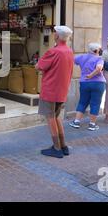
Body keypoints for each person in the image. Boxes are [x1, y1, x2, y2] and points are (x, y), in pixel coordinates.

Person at [36, 26, 74, 158]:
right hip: (62, 90)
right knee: (56, 117)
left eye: (54, 33)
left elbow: (39, 66)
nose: (53, 34)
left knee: (50, 117)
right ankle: (63, 146)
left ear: (57, 36)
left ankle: (57, 148)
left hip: (50, 90)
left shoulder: (53, 51)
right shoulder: (69, 51)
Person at [69, 43, 106, 131]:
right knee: (95, 103)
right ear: (96, 50)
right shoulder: (99, 59)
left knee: (82, 102)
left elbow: (71, 59)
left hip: (84, 83)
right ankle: (92, 124)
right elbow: (99, 68)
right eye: (99, 49)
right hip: (98, 83)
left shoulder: (81, 57)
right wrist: (91, 75)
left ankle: (76, 122)